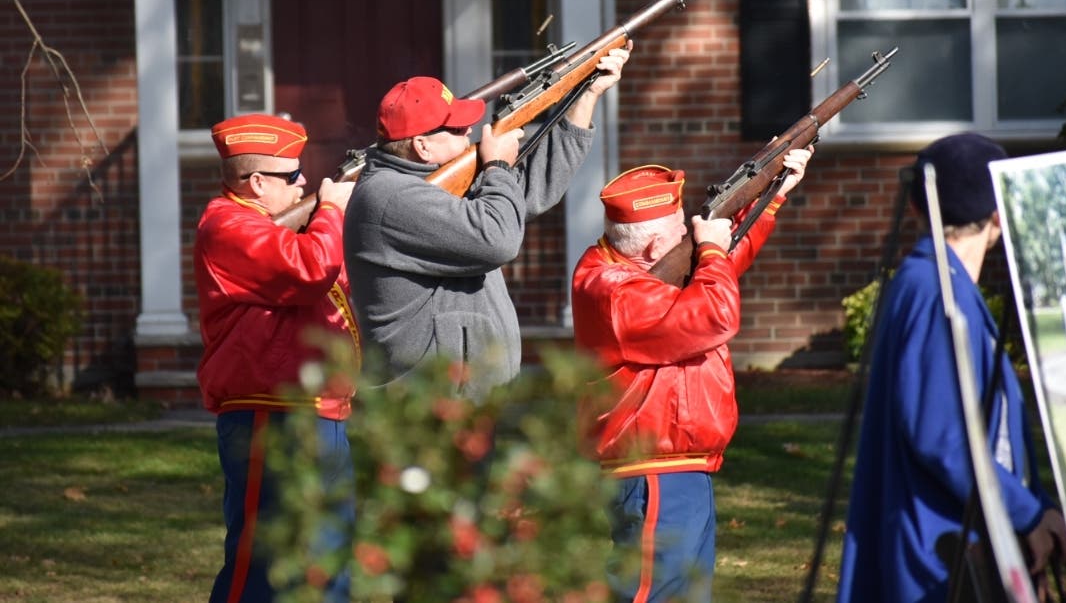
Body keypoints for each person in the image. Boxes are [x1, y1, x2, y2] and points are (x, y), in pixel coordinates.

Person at [571, 149, 813, 603]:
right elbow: (715, 312)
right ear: (651, 247)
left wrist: (770, 196)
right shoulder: (616, 292)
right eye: (679, 230)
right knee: (651, 594)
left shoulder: (635, 270)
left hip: (677, 467)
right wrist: (712, 249)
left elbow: (715, 273)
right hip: (653, 473)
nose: (690, 233)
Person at [837, 133, 1066, 603]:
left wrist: (1037, 510)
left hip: (958, 539)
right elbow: (943, 438)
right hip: (937, 553)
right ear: (998, 215)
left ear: (919, 210)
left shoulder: (940, 283)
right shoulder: (935, 291)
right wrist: (1026, 514)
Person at [344, 45, 630, 401]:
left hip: (463, 399)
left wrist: (586, 96)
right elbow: (497, 239)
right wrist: (497, 167)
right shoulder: (391, 197)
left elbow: (528, 191)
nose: (469, 131)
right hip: (430, 407)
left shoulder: (425, 185)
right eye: (456, 129)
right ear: (422, 146)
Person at [194, 113, 360, 603]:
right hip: (270, 409)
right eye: (293, 175)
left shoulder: (269, 225)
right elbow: (311, 269)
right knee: (260, 565)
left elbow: (332, 279)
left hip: (316, 406)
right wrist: (332, 210)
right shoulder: (227, 226)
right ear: (258, 182)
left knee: (329, 557)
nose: (304, 182)